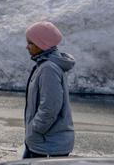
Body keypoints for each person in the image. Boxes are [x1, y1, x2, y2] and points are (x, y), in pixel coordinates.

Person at [23, 21, 75, 159]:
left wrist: (36, 129)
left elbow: (50, 106)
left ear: (42, 44)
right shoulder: (44, 65)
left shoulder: (48, 69)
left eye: (31, 43)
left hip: (48, 144)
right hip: (45, 141)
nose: (27, 47)